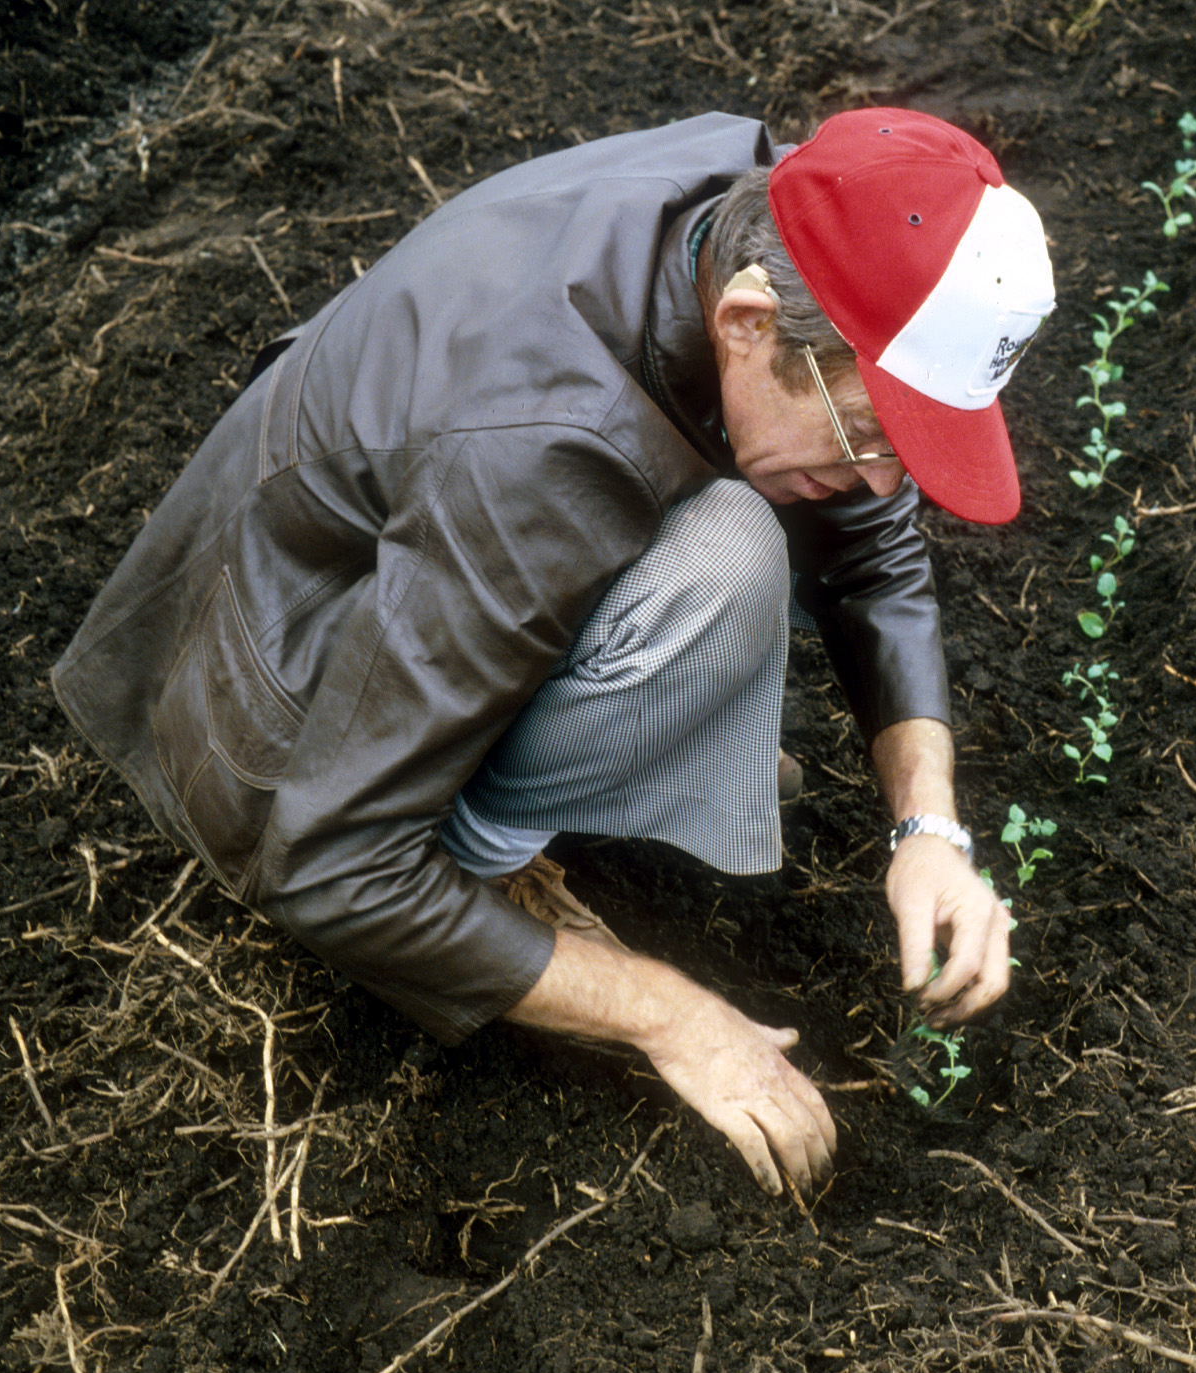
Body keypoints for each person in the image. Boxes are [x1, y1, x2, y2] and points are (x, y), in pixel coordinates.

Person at [51, 108, 1056, 1197]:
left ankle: (576, 764)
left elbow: (870, 549)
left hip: (408, 546)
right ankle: (478, 860)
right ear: (748, 323)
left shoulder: (763, 215)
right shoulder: (543, 444)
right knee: (729, 562)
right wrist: (671, 1012)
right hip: (274, 698)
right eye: (868, 434)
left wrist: (928, 829)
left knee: (747, 536)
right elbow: (330, 864)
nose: (882, 482)